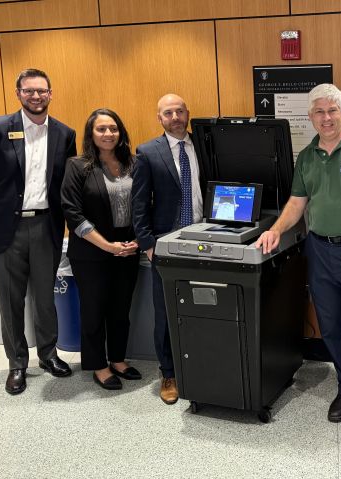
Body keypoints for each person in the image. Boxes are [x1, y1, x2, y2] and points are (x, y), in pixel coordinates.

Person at [254, 84, 341, 459]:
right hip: (320, 251)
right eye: (319, 112)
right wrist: (275, 229)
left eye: (332, 110)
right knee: (331, 329)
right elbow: (298, 202)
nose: (326, 118)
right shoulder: (308, 156)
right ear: (311, 116)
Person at [0, 68, 76, 395]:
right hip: (6, 229)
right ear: (18, 94)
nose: (36, 96)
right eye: (29, 91)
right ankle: (17, 364)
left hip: (46, 225)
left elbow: (65, 181)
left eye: (42, 91)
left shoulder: (64, 134)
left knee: (45, 297)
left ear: (51, 93)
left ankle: (48, 355)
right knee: (10, 300)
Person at [61, 109, 141, 390]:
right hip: (92, 251)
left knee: (121, 307)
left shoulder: (132, 163)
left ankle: (118, 359)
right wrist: (107, 246)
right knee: (94, 309)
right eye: (101, 129)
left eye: (113, 129)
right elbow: (72, 212)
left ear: (121, 132)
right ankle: (98, 364)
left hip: (128, 248)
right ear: (91, 134)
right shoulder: (77, 166)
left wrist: (139, 240)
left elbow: (144, 204)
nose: (108, 134)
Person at [132, 94, 204, 404]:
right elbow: (138, 204)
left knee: (203, 305)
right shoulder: (148, 152)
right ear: (159, 118)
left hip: (204, 236)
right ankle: (169, 372)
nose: (175, 116)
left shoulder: (204, 145)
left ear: (188, 113)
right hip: (166, 242)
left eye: (179, 110)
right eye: (167, 112)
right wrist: (148, 245)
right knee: (166, 311)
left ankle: (202, 366)